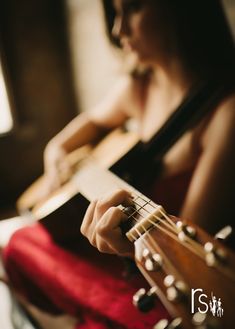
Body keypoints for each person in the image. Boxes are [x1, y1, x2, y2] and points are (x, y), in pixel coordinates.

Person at [3, 0, 235, 328]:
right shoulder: (140, 85)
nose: (118, 29)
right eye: (115, 12)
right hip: (122, 252)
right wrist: (56, 152)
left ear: (181, 10)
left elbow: (181, 254)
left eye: (134, 8)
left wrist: (129, 252)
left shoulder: (226, 113)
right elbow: (87, 126)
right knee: (18, 242)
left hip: (158, 274)